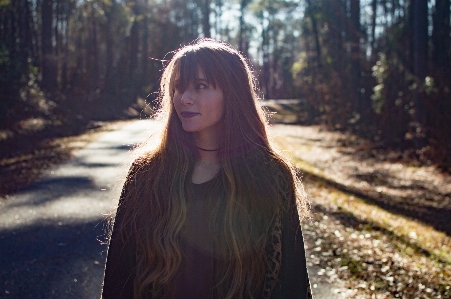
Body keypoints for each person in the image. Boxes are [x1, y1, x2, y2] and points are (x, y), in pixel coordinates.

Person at [101, 38, 313, 299]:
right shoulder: (147, 174)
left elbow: (291, 280)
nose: (184, 99)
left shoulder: (269, 175)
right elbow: (118, 277)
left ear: (233, 94)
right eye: (178, 88)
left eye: (200, 86)